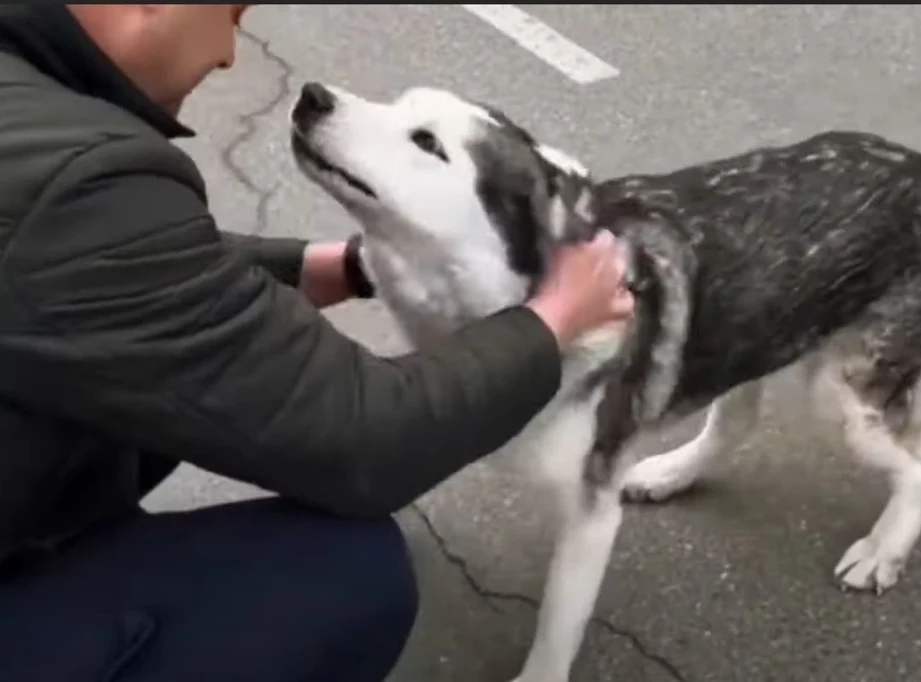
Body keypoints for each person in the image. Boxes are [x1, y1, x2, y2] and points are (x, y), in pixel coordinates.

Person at [0, 5, 633, 682]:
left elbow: (112, 276)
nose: (228, 56)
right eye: (233, 14)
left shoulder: (31, 122)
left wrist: (340, 267)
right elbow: (365, 440)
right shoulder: (75, 182)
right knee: (349, 572)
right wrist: (555, 316)